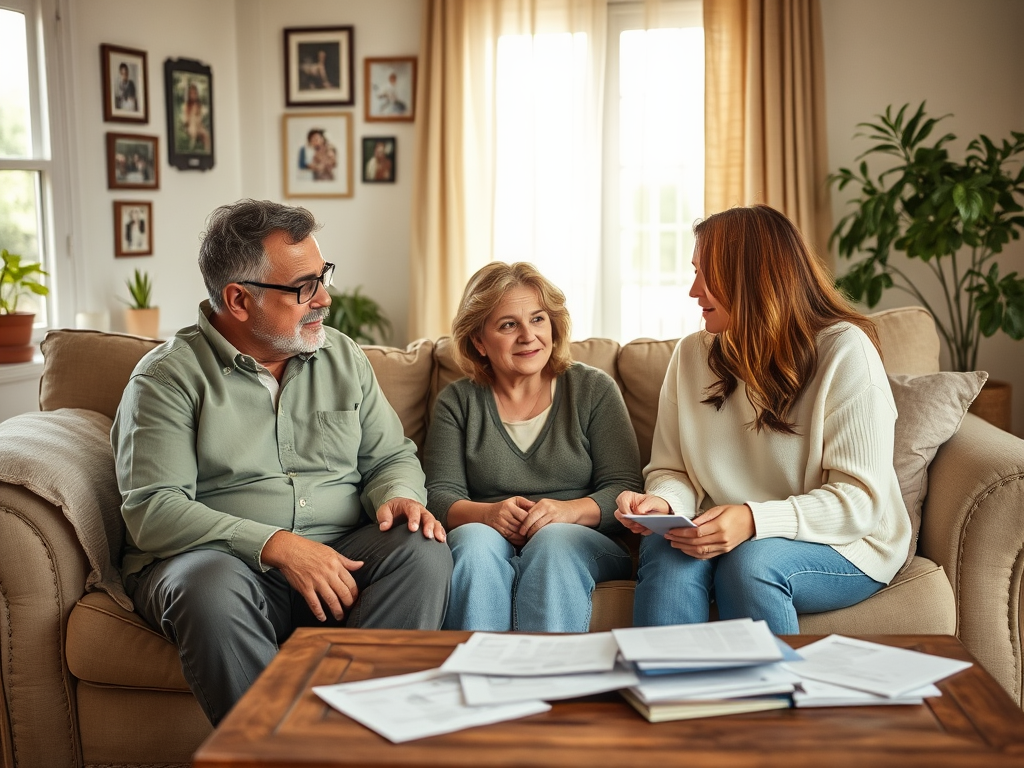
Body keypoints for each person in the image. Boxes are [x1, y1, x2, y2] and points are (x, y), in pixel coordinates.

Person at [111, 199, 453, 726]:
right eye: (303, 288)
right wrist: (275, 546)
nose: (325, 298)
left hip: (339, 558)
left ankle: (358, 739)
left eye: (324, 277)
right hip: (224, 567)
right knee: (208, 587)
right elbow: (154, 511)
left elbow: (390, 456)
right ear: (239, 300)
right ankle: (279, 754)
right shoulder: (167, 379)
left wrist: (399, 497)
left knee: (421, 551)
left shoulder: (343, 356)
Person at [615, 205, 911, 635]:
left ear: (752, 277)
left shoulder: (846, 351)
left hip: (846, 542)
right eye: (694, 271)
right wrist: (665, 504)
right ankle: (668, 696)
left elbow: (859, 502)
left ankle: (771, 701)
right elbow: (671, 469)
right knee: (666, 549)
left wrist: (753, 520)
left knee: (751, 562)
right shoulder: (691, 355)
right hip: (721, 530)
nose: (693, 290)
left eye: (706, 274)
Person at [425, 261, 642, 632]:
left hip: (583, 540)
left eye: (538, 319)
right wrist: (487, 514)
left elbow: (626, 488)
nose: (528, 336)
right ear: (479, 340)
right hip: (489, 534)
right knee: (474, 543)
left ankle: (551, 680)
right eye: (508, 325)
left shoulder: (593, 390)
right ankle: (481, 680)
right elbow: (438, 495)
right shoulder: (456, 401)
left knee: (553, 541)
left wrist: (568, 511)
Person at [181, 81, 211, 152]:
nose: (193, 95)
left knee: (206, 135)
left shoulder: (199, 105)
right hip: (191, 126)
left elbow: (203, 114)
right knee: (194, 130)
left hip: (199, 126)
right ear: (189, 94)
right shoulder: (186, 106)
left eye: (195, 93)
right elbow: (186, 120)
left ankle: (206, 150)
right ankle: (192, 147)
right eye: (191, 93)